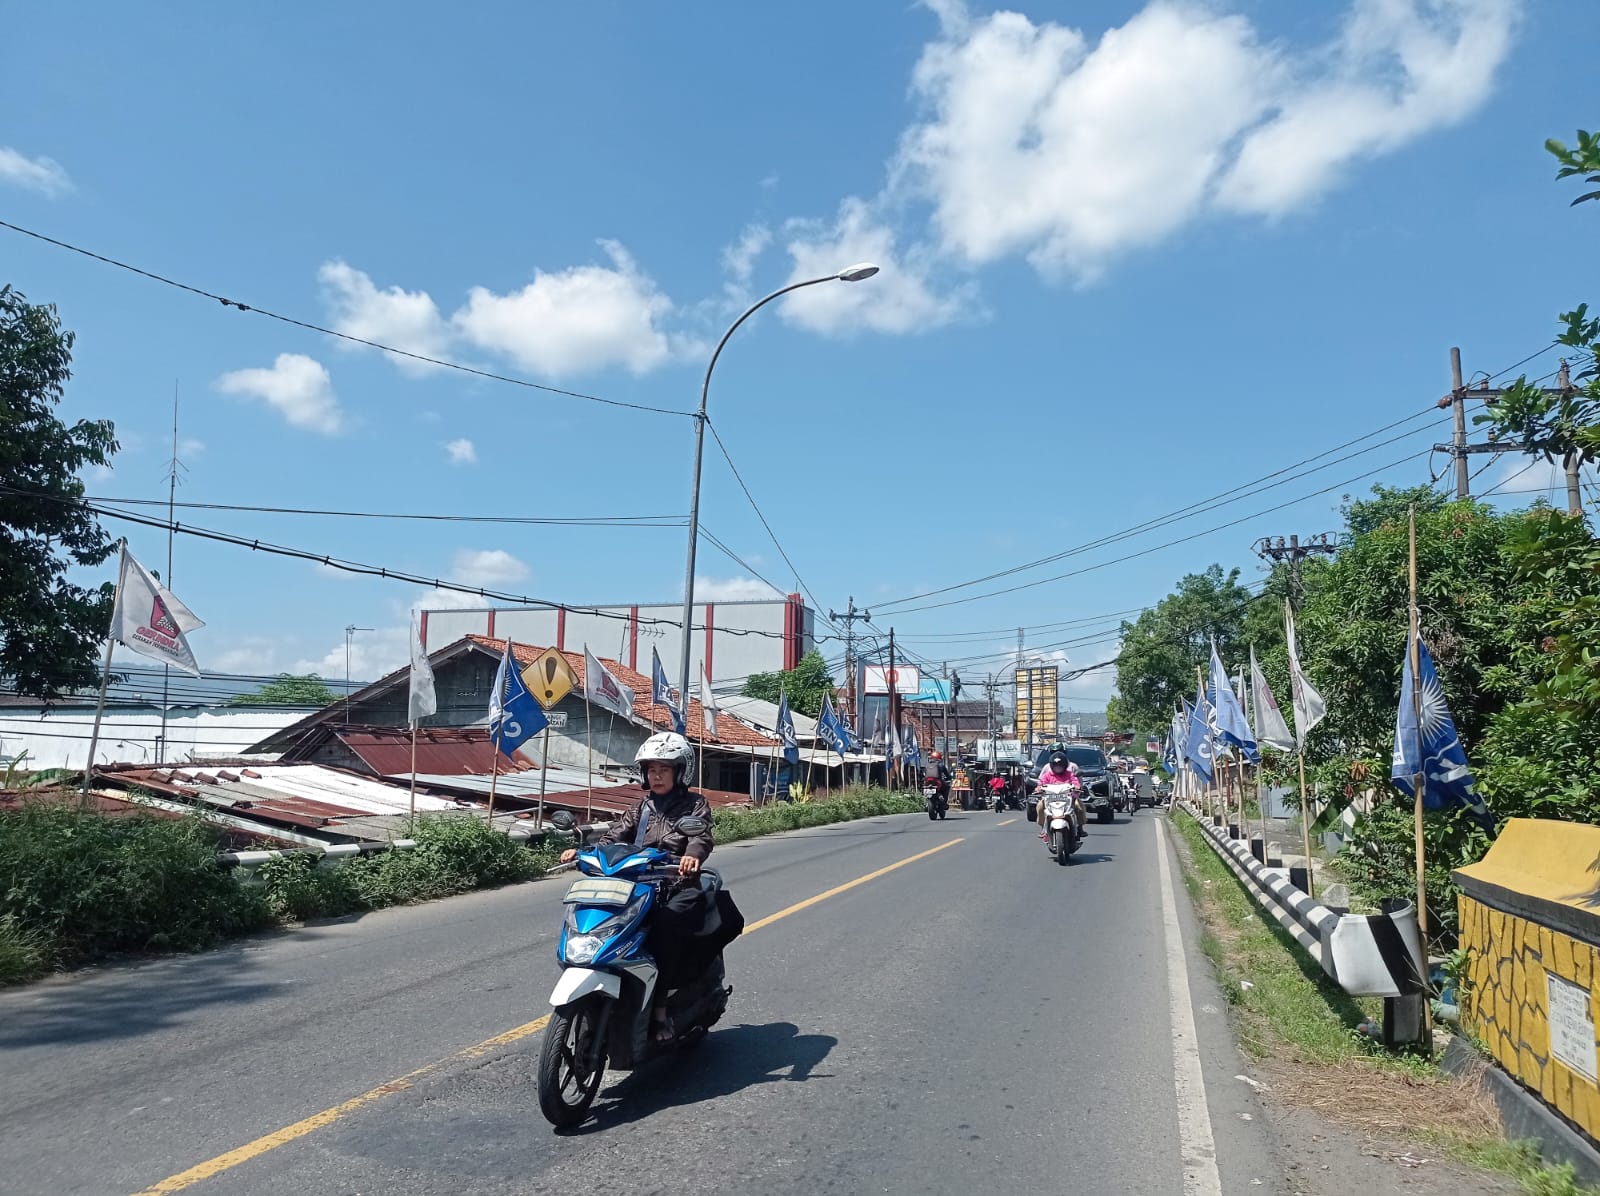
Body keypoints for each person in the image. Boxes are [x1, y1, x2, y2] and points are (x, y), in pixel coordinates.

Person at [559, 730, 715, 1039]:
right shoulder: (640, 808)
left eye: (664, 769)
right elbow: (612, 838)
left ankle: (659, 1011)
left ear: (680, 771)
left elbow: (701, 836)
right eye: (651, 770)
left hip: (677, 883)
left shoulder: (695, 805)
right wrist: (583, 853)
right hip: (638, 882)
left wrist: (691, 856)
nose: (656, 776)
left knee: (664, 928)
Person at [1034, 751, 1086, 840]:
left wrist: (1077, 787)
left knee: (1079, 807)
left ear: (1065, 765)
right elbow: (1041, 784)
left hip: (1068, 799)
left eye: (1060, 765)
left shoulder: (1070, 774)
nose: (1058, 768)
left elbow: (1075, 782)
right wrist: (1038, 788)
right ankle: (1044, 828)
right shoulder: (1047, 775)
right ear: (1052, 766)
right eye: (1055, 765)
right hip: (1050, 800)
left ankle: (1080, 827)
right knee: (1039, 806)